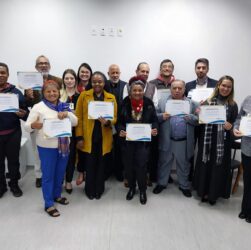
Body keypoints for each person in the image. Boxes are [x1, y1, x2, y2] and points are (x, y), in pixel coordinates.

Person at [24, 80, 78, 217]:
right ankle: (48, 204)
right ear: (43, 93)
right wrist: (34, 125)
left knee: (60, 173)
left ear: (59, 92)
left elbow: (75, 121)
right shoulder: (38, 107)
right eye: (48, 91)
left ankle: (57, 195)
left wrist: (67, 114)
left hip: (64, 146)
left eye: (54, 91)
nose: (52, 94)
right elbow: (27, 126)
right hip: (47, 147)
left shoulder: (64, 105)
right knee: (48, 176)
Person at [193, 76, 238, 205]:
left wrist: (230, 127)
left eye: (229, 87)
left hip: (222, 142)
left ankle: (214, 194)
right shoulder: (208, 101)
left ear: (231, 89)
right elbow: (199, 120)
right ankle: (204, 192)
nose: (225, 89)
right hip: (207, 140)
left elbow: (234, 124)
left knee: (217, 167)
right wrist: (198, 113)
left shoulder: (233, 105)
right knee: (205, 165)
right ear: (218, 85)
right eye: (223, 85)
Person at [75, 71, 117, 200]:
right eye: (94, 81)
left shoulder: (111, 97)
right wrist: (79, 137)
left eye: (100, 81)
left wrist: (108, 122)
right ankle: (89, 190)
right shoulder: (84, 96)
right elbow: (78, 117)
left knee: (101, 165)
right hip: (89, 137)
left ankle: (99, 189)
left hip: (104, 137)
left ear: (104, 83)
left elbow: (115, 117)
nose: (97, 84)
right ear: (91, 83)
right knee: (90, 164)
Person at [153, 80, 198, 198]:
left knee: (184, 164)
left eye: (180, 88)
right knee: (164, 163)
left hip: (183, 141)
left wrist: (192, 118)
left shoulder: (192, 103)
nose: (177, 91)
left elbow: (199, 120)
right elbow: (154, 117)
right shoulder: (163, 102)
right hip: (167, 139)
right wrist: (161, 116)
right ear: (170, 89)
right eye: (174, 88)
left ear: (184, 89)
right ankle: (161, 184)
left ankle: (184, 186)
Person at [118, 76, 158, 204]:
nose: (137, 93)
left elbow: (155, 120)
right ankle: (131, 188)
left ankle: (142, 190)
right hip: (128, 142)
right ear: (130, 91)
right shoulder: (124, 103)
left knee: (141, 167)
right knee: (129, 166)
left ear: (143, 91)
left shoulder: (148, 103)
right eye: (134, 90)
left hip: (143, 143)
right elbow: (119, 122)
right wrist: (121, 130)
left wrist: (154, 129)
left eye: (139, 90)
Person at [25, 55, 62, 188]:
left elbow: (61, 98)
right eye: (40, 64)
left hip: (55, 122)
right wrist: (28, 97)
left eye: (46, 63)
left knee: (54, 150)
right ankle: (39, 175)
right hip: (37, 123)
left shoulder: (58, 80)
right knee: (37, 151)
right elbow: (26, 104)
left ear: (49, 66)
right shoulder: (29, 83)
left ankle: (54, 175)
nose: (43, 65)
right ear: (36, 67)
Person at [185, 58, 218, 181]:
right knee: (190, 150)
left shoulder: (216, 84)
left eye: (203, 68)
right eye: (198, 68)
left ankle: (201, 178)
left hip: (208, 123)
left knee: (205, 151)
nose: (201, 70)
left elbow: (219, 102)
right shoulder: (188, 85)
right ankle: (189, 176)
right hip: (192, 122)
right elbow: (185, 103)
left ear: (207, 69)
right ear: (195, 69)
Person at [0, 62, 28, 198]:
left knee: (13, 160)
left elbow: (26, 113)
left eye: (3, 72)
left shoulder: (15, 92)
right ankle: (1, 186)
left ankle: (14, 184)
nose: (0, 75)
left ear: (7, 75)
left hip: (13, 133)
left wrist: (23, 114)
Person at [149, 59, 176, 184]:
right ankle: (153, 175)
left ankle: (166, 174)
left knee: (167, 151)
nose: (167, 68)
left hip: (170, 122)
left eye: (169, 67)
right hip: (156, 120)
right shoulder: (152, 83)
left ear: (172, 70)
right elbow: (149, 103)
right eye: (164, 66)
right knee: (155, 150)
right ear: (160, 69)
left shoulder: (176, 84)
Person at [105, 64, 127, 181]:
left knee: (119, 148)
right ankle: (107, 171)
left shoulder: (125, 85)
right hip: (106, 122)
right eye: (112, 73)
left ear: (120, 73)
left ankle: (119, 172)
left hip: (120, 122)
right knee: (107, 147)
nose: (115, 75)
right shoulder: (103, 85)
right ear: (108, 74)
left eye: (117, 73)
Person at [60, 69, 80, 194]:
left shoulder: (80, 95)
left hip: (75, 130)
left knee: (71, 158)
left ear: (75, 80)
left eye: (71, 78)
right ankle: (59, 181)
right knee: (61, 157)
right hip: (61, 131)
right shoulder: (58, 94)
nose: (69, 81)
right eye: (66, 78)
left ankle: (68, 181)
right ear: (63, 80)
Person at [233, 96, 251, 223]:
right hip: (247, 148)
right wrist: (236, 128)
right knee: (248, 180)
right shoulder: (248, 99)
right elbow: (239, 118)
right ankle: (246, 208)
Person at [75, 63, 93, 186]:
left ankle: (88, 172)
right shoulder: (75, 87)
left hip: (91, 124)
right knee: (80, 149)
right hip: (78, 122)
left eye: (87, 72)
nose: (84, 74)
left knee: (90, 150)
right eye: (82, 72)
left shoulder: (95, 86)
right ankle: (81, 172)